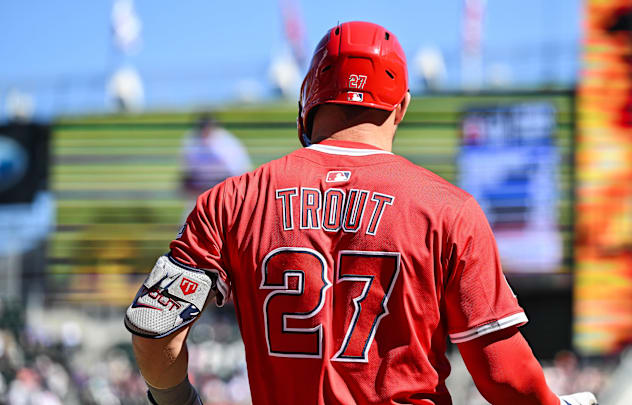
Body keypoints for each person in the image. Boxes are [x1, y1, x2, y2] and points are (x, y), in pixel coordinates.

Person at [125, 21, 598, 405]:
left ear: (308, 100)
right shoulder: (449, 210)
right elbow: (505, 376)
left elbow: (154, 329)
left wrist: (178, 401)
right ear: (401, 107)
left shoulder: (231, 200)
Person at [180, 113, 252, 198]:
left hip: (226, 182)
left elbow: (237, 172)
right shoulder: (192, 140)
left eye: (207, 128)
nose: (204, 132)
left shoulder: (226, 143)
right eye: (202, 128)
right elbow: (188, 170)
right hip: (204, 183)